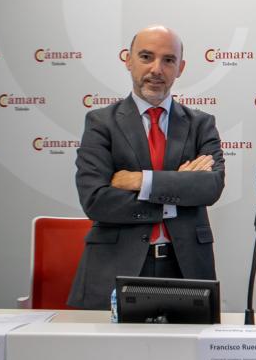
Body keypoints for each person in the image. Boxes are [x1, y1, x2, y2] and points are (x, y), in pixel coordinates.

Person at [69, 25, 224, 309]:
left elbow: (210, 188)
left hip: (186, 268)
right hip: (116, 266)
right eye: (146, 57)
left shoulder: (201, 124)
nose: (157, 69)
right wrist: (176, 190)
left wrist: (142, 181)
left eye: (168, 60)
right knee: (111, 354)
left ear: (181, 68)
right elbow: (96, 200)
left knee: (185, 354)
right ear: (128, 60)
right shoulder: (101, 123)